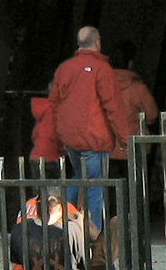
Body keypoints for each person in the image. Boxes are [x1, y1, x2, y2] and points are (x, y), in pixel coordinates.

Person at [49, 26, 127, 224]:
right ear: (98, 42)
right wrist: (125, 138)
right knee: (95, 185)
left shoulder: (65, 68)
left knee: (79, 177)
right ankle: (96, 234)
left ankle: (60, 220)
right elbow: (113, 106)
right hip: (95, 138)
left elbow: (55, 102)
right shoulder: (102, 70)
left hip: (70, 138)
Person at [106, 40, 159, 182]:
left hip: (105, 149)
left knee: (107, 195)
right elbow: (152, 115)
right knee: (133, 195)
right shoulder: (138, 88)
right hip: (133, 149)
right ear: (130, 63)